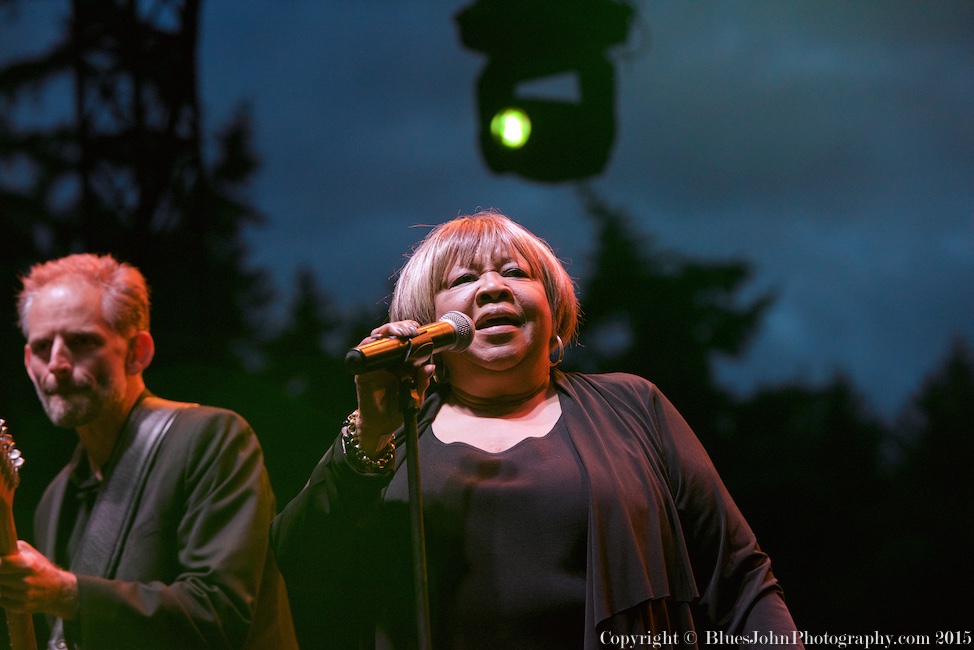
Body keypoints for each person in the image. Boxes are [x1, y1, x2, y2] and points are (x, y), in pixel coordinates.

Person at [270, 210, 802, 649]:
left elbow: (739, 578)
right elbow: (299, 561)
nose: (492, 288)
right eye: (461, 280)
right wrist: (371, 433)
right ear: (424, 322)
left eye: (516, 273)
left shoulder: (633, 406)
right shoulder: (393, 436)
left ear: (552, 309)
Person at [2, 253, 298, 649]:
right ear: (27, 362)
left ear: (136, 352)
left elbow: (218, 615)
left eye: (81, 341)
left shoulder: (213, 438)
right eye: (41, 347)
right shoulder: (55, 499)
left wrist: (67, 593)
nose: (56, 363)